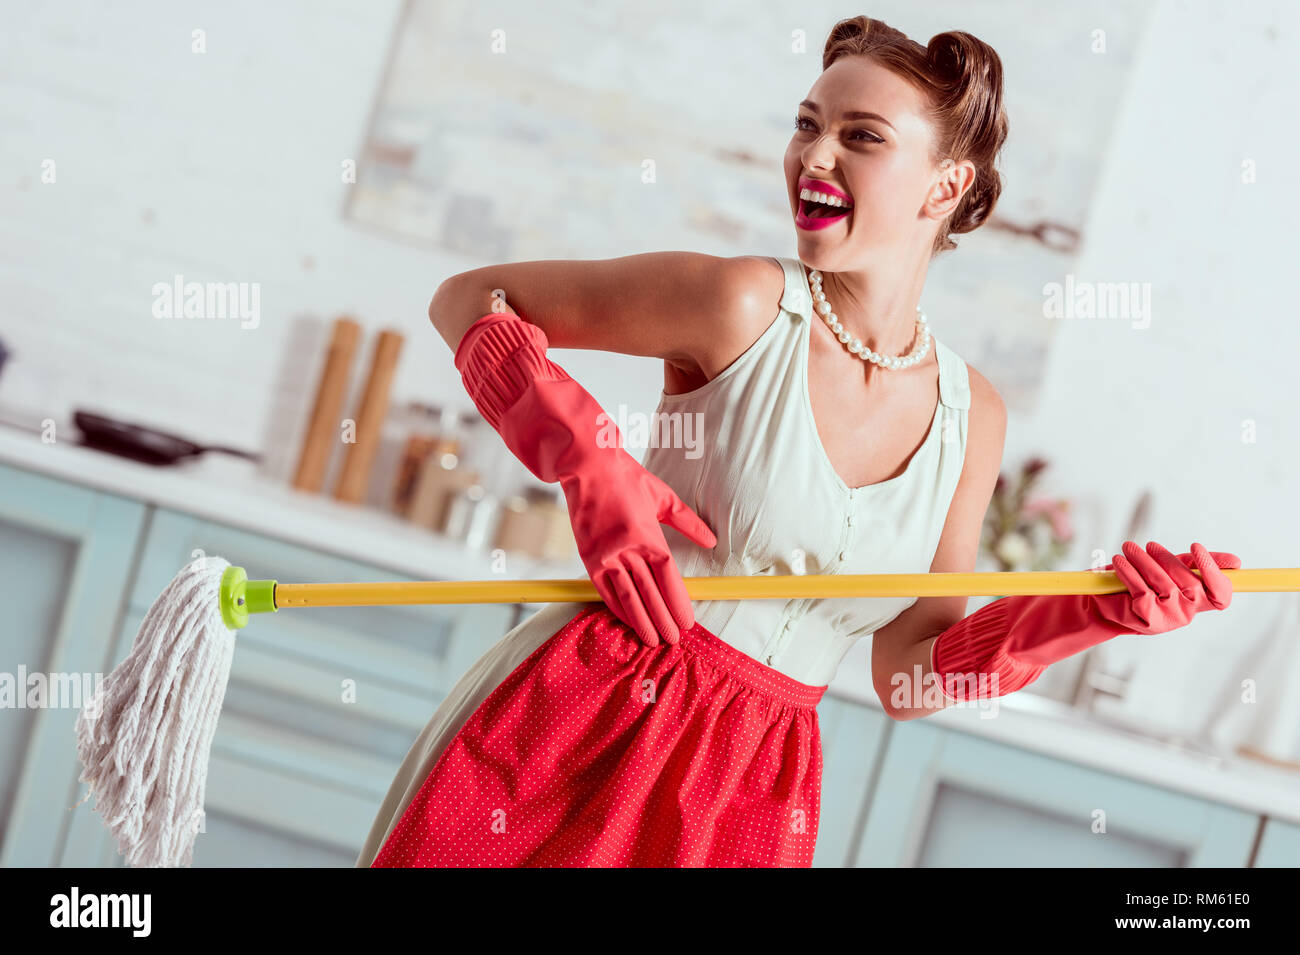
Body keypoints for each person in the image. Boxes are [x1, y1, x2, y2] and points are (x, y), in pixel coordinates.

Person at [357, 15, 1236, 868]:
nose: (814, 156)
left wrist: (1087, 614)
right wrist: (589, 459)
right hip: (586, 725)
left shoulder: (975, 417)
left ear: (945, 187)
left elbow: (909, 677)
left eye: (862, 137)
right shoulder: (739, 303)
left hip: (756, 789)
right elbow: (469, 298)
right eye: (807, 126)